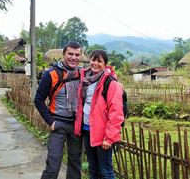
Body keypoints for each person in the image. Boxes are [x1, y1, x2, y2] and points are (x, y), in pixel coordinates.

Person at [34, 41, 82, 179]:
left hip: (76, 126)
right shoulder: (51, 74)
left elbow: (102, 75)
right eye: (70, 54)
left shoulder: (82, 75)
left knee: (75, 165)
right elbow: (38, 100)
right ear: (63, 54)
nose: (74, 57)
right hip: (58, 124)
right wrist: (51, 121)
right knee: (53, 166)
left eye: (77, 55)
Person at [74, 50, 124, 179]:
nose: (95, 63)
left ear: (105, 64)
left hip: (103, 134)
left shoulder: (110, 83)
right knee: (93, 169)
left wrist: (109, 137)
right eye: (93, 60)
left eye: (99, 61)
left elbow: (116, 112)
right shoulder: (85, 79)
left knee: (106, 170)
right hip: (87, 130)